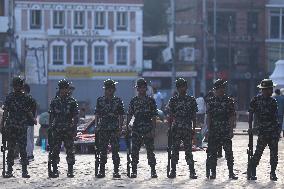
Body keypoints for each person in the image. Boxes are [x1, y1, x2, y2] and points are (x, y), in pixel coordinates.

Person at [0, 77, 36, 178]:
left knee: (23, 149)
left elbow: (32, 107)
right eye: (15, 85)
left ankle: (24, 171)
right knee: (10, 149)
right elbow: (5, 112)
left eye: (18, 85)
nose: (16, 87)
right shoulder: (9, 97)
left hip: (22, 127)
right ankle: (9, 170)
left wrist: (32, 118)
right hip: (11, 126)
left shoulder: (26, 98)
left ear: (21, 86)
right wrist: (2, 125)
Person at [206, 79, 238, 180]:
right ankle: (213, 173)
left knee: (229, 152)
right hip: (214, 130)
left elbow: (232, 116)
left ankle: (231, 172)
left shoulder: (229, 101)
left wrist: (231, 130)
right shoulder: (211, 101)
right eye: (220, 88)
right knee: (213, 153)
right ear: (216, 89)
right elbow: (209, 116)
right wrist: (208, 129)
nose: (222, 90)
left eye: (223, 88)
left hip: (225, 129)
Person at [249, 79, 279, 181]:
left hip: (273, 131)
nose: (271, 90)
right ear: (264, 90)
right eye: (270, 89)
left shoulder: (273, 101)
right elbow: (251, 113)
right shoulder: (256, 100)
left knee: (274, 154)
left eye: (271, 88)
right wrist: (250, 127)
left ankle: (273, 172)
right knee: (258, 152)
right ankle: (252, 170)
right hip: (262, 131)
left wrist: (277, 131)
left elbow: (275, 117)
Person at [127, 78, 158, 178]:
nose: (142, 89)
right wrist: (127, 126)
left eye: (144, 87)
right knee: (134, 151)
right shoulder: (134, 101)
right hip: (136, 129)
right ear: (137, 89)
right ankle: (134, 171)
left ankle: (153, 170)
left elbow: (154, 116)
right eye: (140, 87)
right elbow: (130, 115)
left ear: (146, 88)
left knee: (150, 151)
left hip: (148, 127)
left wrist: (153, 129)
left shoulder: (151, 101)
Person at [167, 78, 198, 179]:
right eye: (180, 86)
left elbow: (194, 116)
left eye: (183, 86)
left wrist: (193, 128)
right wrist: (169, 128)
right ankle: (173, 170)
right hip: (176, 129)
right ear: (177, 88)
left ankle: (192, 171)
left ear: (186, 87)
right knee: (174, 150)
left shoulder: (191, 100)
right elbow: (170, 116)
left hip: (187, 128)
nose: (182, 88)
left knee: (188, 151)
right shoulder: (173, 100)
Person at [49, 79, 79, 178]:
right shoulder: (54, 101)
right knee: (55, 150)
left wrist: (74, 129)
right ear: (60, 89)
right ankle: (55, 169)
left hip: (68, 130)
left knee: (70, 150)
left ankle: (70, 170)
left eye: (66, 88)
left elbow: (76, 116)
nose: (65, 90)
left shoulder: (72, 101)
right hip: (56, 129)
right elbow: (51, 116)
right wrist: (50, 128)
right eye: (63, 88)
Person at [94, 79, 124, 178]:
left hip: (114, 128)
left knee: (115, 150)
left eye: (112, 88)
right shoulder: (100, 100)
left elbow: (121, 115)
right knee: (102, 150)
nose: (111, 90)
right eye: (109, 89)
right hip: (103, 128)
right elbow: (97, 114)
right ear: (105, 89)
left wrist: (120, 128)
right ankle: (101, 170)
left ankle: (116, 171)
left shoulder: (118, 100)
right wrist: (96, 126)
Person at [23, 83, 37, 160]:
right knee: (31, 139)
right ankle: (31, 154)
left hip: (26, 122)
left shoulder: (25, 98)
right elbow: (35, 110)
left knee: (27, 139)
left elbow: (28, 111)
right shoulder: (32, 99)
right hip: (31, 122)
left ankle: (28, 155)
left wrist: (33, 118)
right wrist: (34, 119)